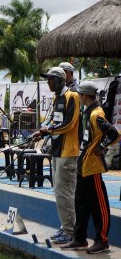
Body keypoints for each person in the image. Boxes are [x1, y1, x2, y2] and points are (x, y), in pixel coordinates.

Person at [61, 81, 119, 254]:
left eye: (80, 94)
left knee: (99, 206)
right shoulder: (88, 113)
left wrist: (101, 147)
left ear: (85, 96)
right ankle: (79, 238)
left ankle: (102, 241)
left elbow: (114, 134)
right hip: (83, 166)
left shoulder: (95, 114)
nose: (78, 97)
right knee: (81, 204)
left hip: (92, 168)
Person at [32, 67, 80, 245]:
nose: (48, 82)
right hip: (57, 150)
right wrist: (41, 132)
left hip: (68, 151)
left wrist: (48, 130)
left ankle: (69, 231)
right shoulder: (56, 98)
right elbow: (54, 120)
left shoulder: (72, 97)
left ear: (60, 80)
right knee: (60, 192)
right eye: (47, 79)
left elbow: (69, 124)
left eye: (51, 79)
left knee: (64, 192)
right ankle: (66, 226)